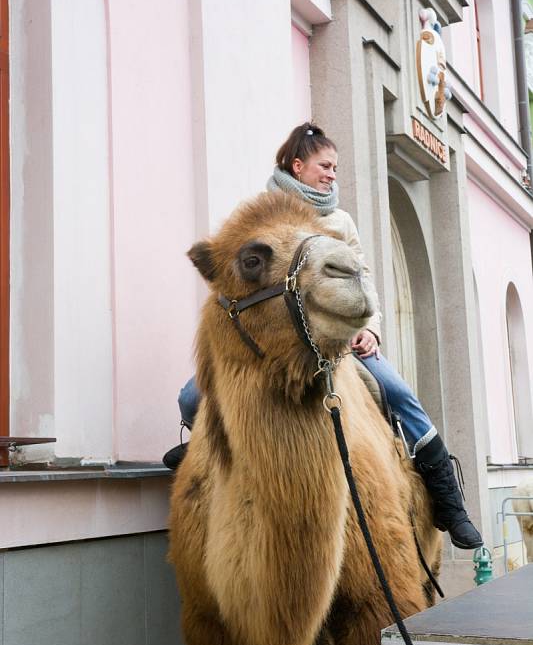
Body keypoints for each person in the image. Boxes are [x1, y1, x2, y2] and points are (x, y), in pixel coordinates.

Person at [164, 122, 482, 550]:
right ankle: (206, 456)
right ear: (298, 165)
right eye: (325, 165)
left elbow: (360, 275)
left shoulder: (340, 220)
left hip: (339, 340)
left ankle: (448, 501)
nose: (333, 174)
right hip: (278, 338)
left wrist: (369, 328)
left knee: (400, 396)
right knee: (191, 397)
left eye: (335, 167)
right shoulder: (260, 211)